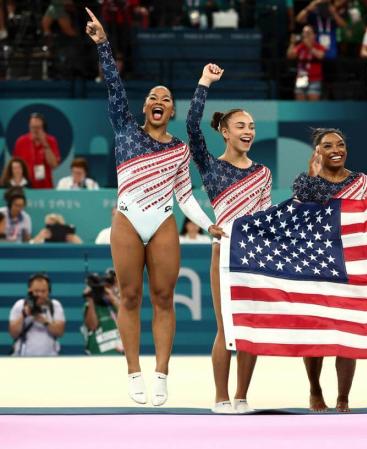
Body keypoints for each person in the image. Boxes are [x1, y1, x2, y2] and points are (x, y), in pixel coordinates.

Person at [85, 8, 222, 407]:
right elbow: (113, 87)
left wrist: (207, 223)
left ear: (171, 111)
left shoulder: (179, 149)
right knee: (129, 297)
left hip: (162, 220)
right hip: (127, 218)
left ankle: (161, 374)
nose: (158, 100)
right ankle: (133, 371)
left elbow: (185, 196)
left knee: (163, 297)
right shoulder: (126, 130)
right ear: (145, 108)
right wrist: (103, 45)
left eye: (165, 98)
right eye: (152, 97)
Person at [186, 63, 272, 413]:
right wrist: (204, 83)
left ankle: (242, 397)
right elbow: (192, 127)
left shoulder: (262, 172)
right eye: (240, 126)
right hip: (224, 252)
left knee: (250, 327)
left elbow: (266, 217)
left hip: (255, 253)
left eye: (251, 126)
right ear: (224, 131)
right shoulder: (211, 166)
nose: (248, 131)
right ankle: (221, 398)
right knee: (227, 328)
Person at [292, 128, 367, 413]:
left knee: (347, 335)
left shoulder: (361, 181)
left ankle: (343, 397)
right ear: (318, 152)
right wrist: (312, 175)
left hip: (351, 264)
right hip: (316, 264)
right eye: (328, 146)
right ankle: (315, 389)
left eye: (340, 144)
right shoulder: (306, 181)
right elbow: (299, 213)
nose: (336, 149)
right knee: (315, 335)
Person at [9, 273, 66, 356]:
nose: (40, 295)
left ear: (49, 291)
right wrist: (24, 315)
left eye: (43, 291)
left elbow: (60, 332)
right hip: (23, 357)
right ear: (29, 290)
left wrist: (44, 321)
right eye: (36, 291)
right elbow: (13, 333)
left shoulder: (55, 306)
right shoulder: (20, 305)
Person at [12, 112, 61, 189]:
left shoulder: (51, 140)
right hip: (25, 186)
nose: (35, 130)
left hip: (45, 186)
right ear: (29, 126)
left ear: (43, 127)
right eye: (33, 127)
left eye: (38, 127)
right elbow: (15, 166)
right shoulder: (21, 141)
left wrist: (45, 144)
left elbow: (54, 165)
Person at [82, 269, 124, 354]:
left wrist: (112, 298)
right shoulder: (90, 306)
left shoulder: (118, 305)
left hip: (120, 358)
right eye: (106, 286)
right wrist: (90, 299)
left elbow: (127, 319)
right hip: (98, 359)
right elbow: (92, 326)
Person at [287, 25, 326, 101]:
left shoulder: (318, 46)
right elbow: (290, 56)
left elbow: (320, 56)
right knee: (300, 103)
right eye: (303, 33)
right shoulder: (301, 46)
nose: (305, 35)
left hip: (315, 78)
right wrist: (292, 43)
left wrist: (309, 47)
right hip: (302, 77)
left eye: (308, 33)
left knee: (312, 105)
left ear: (314, 35)